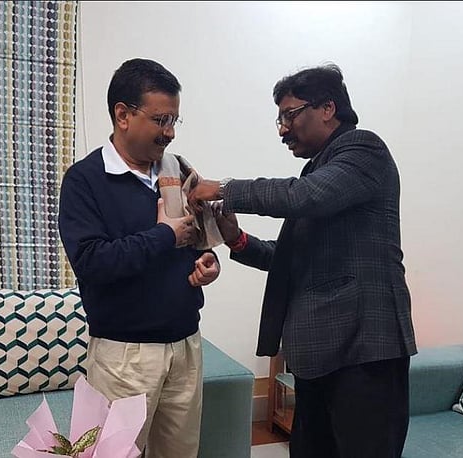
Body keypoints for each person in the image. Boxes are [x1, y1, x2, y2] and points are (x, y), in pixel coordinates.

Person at [189, 63, 417, 458]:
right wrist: (236, 239)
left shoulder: (364, 150)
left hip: (363, 351)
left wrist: (224, 188)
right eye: (279, 119)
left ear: (328, 108)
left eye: (289, 115)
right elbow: (290, 257)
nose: (282, 129)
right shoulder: (320, 170)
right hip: (320, 355)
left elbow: (300, 196)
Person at [58, 58, 220, 458]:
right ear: (123, 115)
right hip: (124, 355)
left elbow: (197, 239)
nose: (170, 132)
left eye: (174, 121)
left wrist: (205, 263)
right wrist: (164, 235)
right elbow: (92, 262)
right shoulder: (84, 180)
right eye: (161, 120)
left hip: (186, 344)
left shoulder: (178, 169)